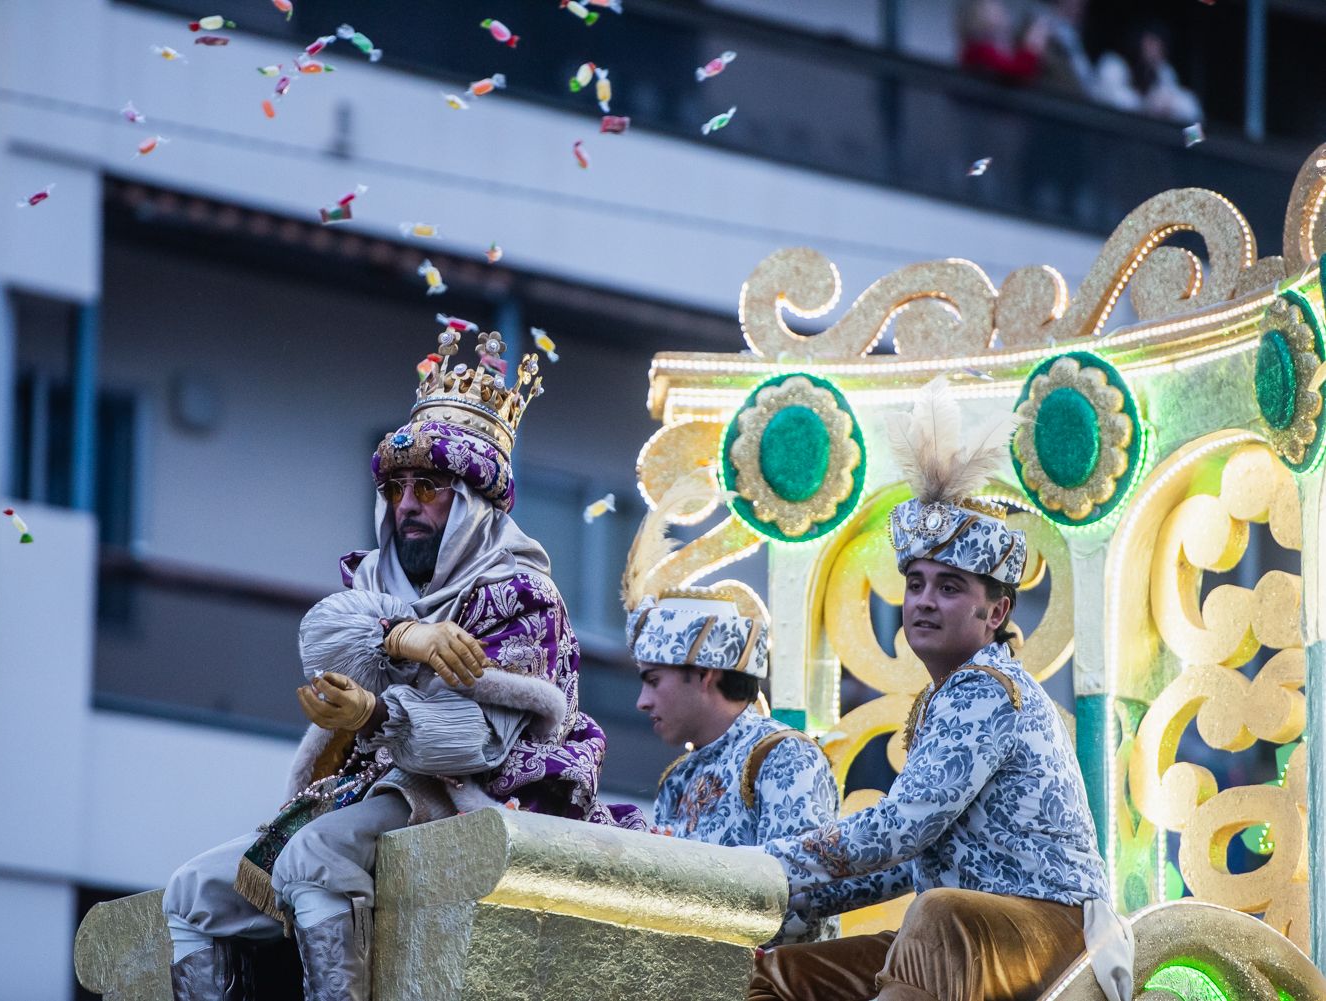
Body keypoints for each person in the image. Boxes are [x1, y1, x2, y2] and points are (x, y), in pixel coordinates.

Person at [163, 325, 641, 1001]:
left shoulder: (522, 593)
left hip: (469, 799)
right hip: (373, 788)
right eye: (398, 487)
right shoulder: (382, 581)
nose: (407, 505)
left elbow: (482, 741)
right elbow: (322, 635)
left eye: (429, 486)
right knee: (189, 894)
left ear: (472, 501)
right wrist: (400, 635)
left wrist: (378, 712)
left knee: (313, 854)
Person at [749, 377, 1132, 1001]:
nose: (925, 601)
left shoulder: (986, 687)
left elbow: (899, 831)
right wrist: (772, 894)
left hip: (1050, 934)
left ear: (996, 611)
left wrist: (763, 866)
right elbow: (906, 861)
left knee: (933, 919)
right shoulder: (946, 697)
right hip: (964, 930)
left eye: (949, 588)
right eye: (917, 583)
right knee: (775, 975)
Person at [629, 586, 841, 943]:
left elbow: (803, 906)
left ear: (703, 674)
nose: (642, 702)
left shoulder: (784, 755)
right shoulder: (678, 778)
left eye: (653, 681)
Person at [958, 0, 1048, 86]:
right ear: (977, 15)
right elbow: (1012, 73)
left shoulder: (995, 46)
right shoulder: (978, 50)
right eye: (994, 7)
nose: (1001, 10)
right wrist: (1031, 48)